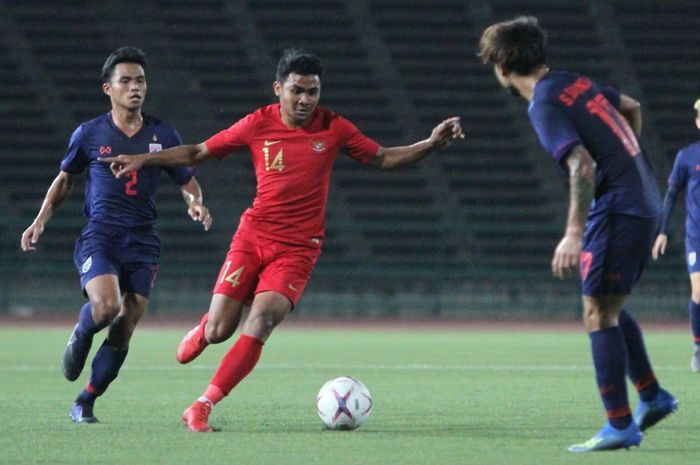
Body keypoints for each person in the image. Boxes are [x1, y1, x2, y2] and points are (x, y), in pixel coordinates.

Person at [99, 48, 464, 432]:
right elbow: (199, 151)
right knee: (221, 330)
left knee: (261, 320)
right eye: (297, 91)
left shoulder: (334, 127)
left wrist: (431, 144)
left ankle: (202, 405)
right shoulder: (258, 124)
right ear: (279, 89)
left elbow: (384, 157)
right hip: (253, 236)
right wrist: (144, 159)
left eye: (313, 92)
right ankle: (207, 329)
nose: (305, 100)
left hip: (298, 248)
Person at [478, 17, 677, 452]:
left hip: (620, 209)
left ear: (501, 66)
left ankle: (620, 425)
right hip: (642, 199)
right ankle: (652, 395)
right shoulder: (572, 82)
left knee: (596, 313)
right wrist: (627, 165)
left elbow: (581, 164)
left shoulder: (543, 104)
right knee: (607, 303)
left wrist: (572, 233)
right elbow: (632, 107)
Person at [20, 46, 212, 424]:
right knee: (106, 308)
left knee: (125, 325)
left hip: (143, 240)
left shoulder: (163, 133)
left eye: (140, 80)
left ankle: (85, 401)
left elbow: (187, 179)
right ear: (108, 88)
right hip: (101, 236)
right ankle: (82, 330)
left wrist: (195, 202)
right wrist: (40, 219)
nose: (135, 87)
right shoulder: (89, 134)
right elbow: (65, 180)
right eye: (125, 80)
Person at [652, 97, 700, 371]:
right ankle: (698, 346)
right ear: (697, 122)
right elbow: (671, 194)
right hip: (697, 235)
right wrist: (662, 230)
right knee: (699, 291)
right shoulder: (687, 156)